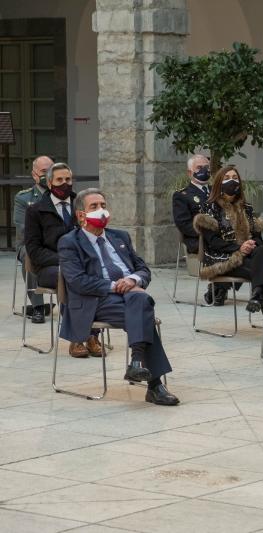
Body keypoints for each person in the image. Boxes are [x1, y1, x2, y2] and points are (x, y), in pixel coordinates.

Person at [58, 188, 179, 406]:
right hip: (96, 300)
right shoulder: (69, 242)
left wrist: (132, 280)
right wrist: (116, 286)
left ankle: (138, 363)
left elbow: (144, 270)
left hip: (130, 296)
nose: (101, 210)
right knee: (143, 313)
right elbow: (77, 282)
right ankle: (153, 384)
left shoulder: (119, 236)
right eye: (94, 207)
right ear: (81, 215)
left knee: (140, 302)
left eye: (103, 205)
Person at [193, 165, 263, 341]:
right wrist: (237, 248)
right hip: (221, 260)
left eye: (235, 177)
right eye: (227, 178)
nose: (231, 181)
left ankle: (257, 295)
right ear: (219, 183)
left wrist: (251, 244)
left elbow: (258, 238)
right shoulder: (209, 207)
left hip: (248, 258)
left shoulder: (245, 207)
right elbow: (212, 242)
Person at [24, 162, 96, 358]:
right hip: (50, 268)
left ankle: (92, 333)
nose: (65, 184)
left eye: (68, 180)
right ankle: (79, 337)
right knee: (69, 276)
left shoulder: (82, 205)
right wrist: (65, 260)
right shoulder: (36, 211)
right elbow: (34, 250)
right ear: (49, 183)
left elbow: (96, 239)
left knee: (94, 274)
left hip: (81, 264)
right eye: (59, 180)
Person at [172, 154, 229, 306]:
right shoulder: (182, 195)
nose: (204, 170)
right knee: (228, 249)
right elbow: (183, 224)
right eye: (199, 168)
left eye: (206, 167)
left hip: (221, 238)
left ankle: (220, 286)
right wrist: (208, 233)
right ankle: (220, 287)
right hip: (199, 239)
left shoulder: (218, 192)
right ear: (190, 173)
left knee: (244, 247)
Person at [13, 155, 53, 324]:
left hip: (55, 245)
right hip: (30, 244)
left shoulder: (62, 196)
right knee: (31, 255)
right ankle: (38, 307)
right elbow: (24, 228)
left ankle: (71, 305)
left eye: (50, 171)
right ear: (34, 175)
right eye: (44, 171)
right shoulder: (23, 198)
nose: (47, 175)